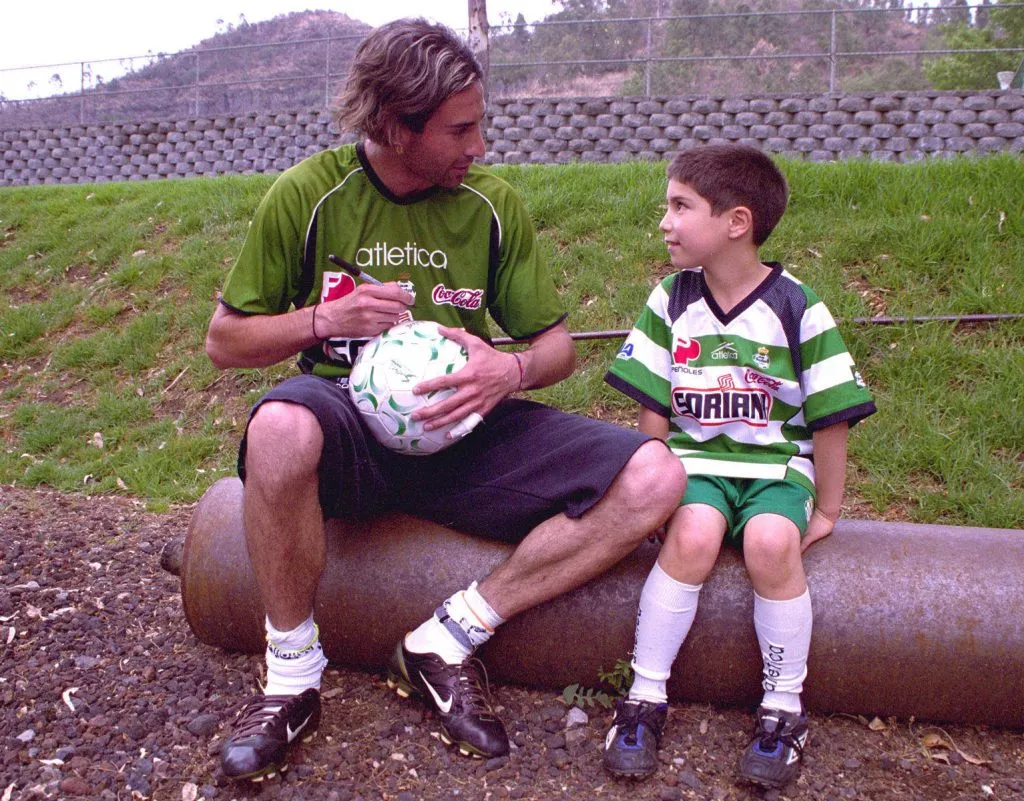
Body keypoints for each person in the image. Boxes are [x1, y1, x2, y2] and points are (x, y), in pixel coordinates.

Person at [204, 18, 686, 783]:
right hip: (349, 429)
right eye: (461, 129)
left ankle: (445, 637)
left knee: (657, 476)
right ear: (396, 125)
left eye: (479, 124)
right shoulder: (309, 194)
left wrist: (510, 370)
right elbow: (224, 340)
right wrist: (325, 318)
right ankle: (292, 680)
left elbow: (557, 345)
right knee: (281, 427)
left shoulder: (491, 205)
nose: (479, 146)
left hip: (467, 428)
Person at [602, 144, 876, 789]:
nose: (664, 222)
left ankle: (783, 709)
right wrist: (653, 489)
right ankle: (643, 698)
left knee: (771, 542)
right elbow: (653, 410)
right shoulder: (671, 299)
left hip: (778, 467)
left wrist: (830, 508)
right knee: (692, 536)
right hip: (695, 463)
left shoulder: (796, 306)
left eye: (680, 206)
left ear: (736, 222)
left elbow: (832, 415)